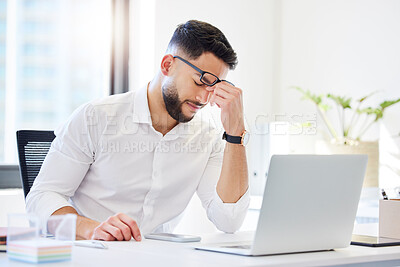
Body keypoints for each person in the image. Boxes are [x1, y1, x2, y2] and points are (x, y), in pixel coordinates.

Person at [26, 20, 250, 241]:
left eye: (214, 88)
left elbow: (229, 221)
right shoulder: (95, 118)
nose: (204, 98)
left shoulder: (208, 137)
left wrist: (235, 133)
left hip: (157, 258)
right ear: (167, 65)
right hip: (92, 254)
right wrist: (90, 229)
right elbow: (41, 198)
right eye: (200, 81)